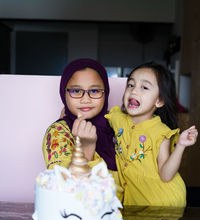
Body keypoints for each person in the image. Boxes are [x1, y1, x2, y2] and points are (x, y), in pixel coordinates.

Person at [105, 61, 198, 206]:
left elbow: (166, 175)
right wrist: (68, 116)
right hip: (135, 201)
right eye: (131, 85)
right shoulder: (117, 117)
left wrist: (181, 145)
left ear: (159, 101)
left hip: (162, 201)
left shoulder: (161, 133)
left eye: (144, 87)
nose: (134, 91)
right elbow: (96, 118)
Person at [42, 58, 123, 200]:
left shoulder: (118, 125)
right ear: (64, 93)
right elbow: (64, 188)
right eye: (76, 91)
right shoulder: (58, 132)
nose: (86, 99)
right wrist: (86, 148)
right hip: (84, 216)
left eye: (94, 90)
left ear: (106, 92)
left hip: (127, 213)